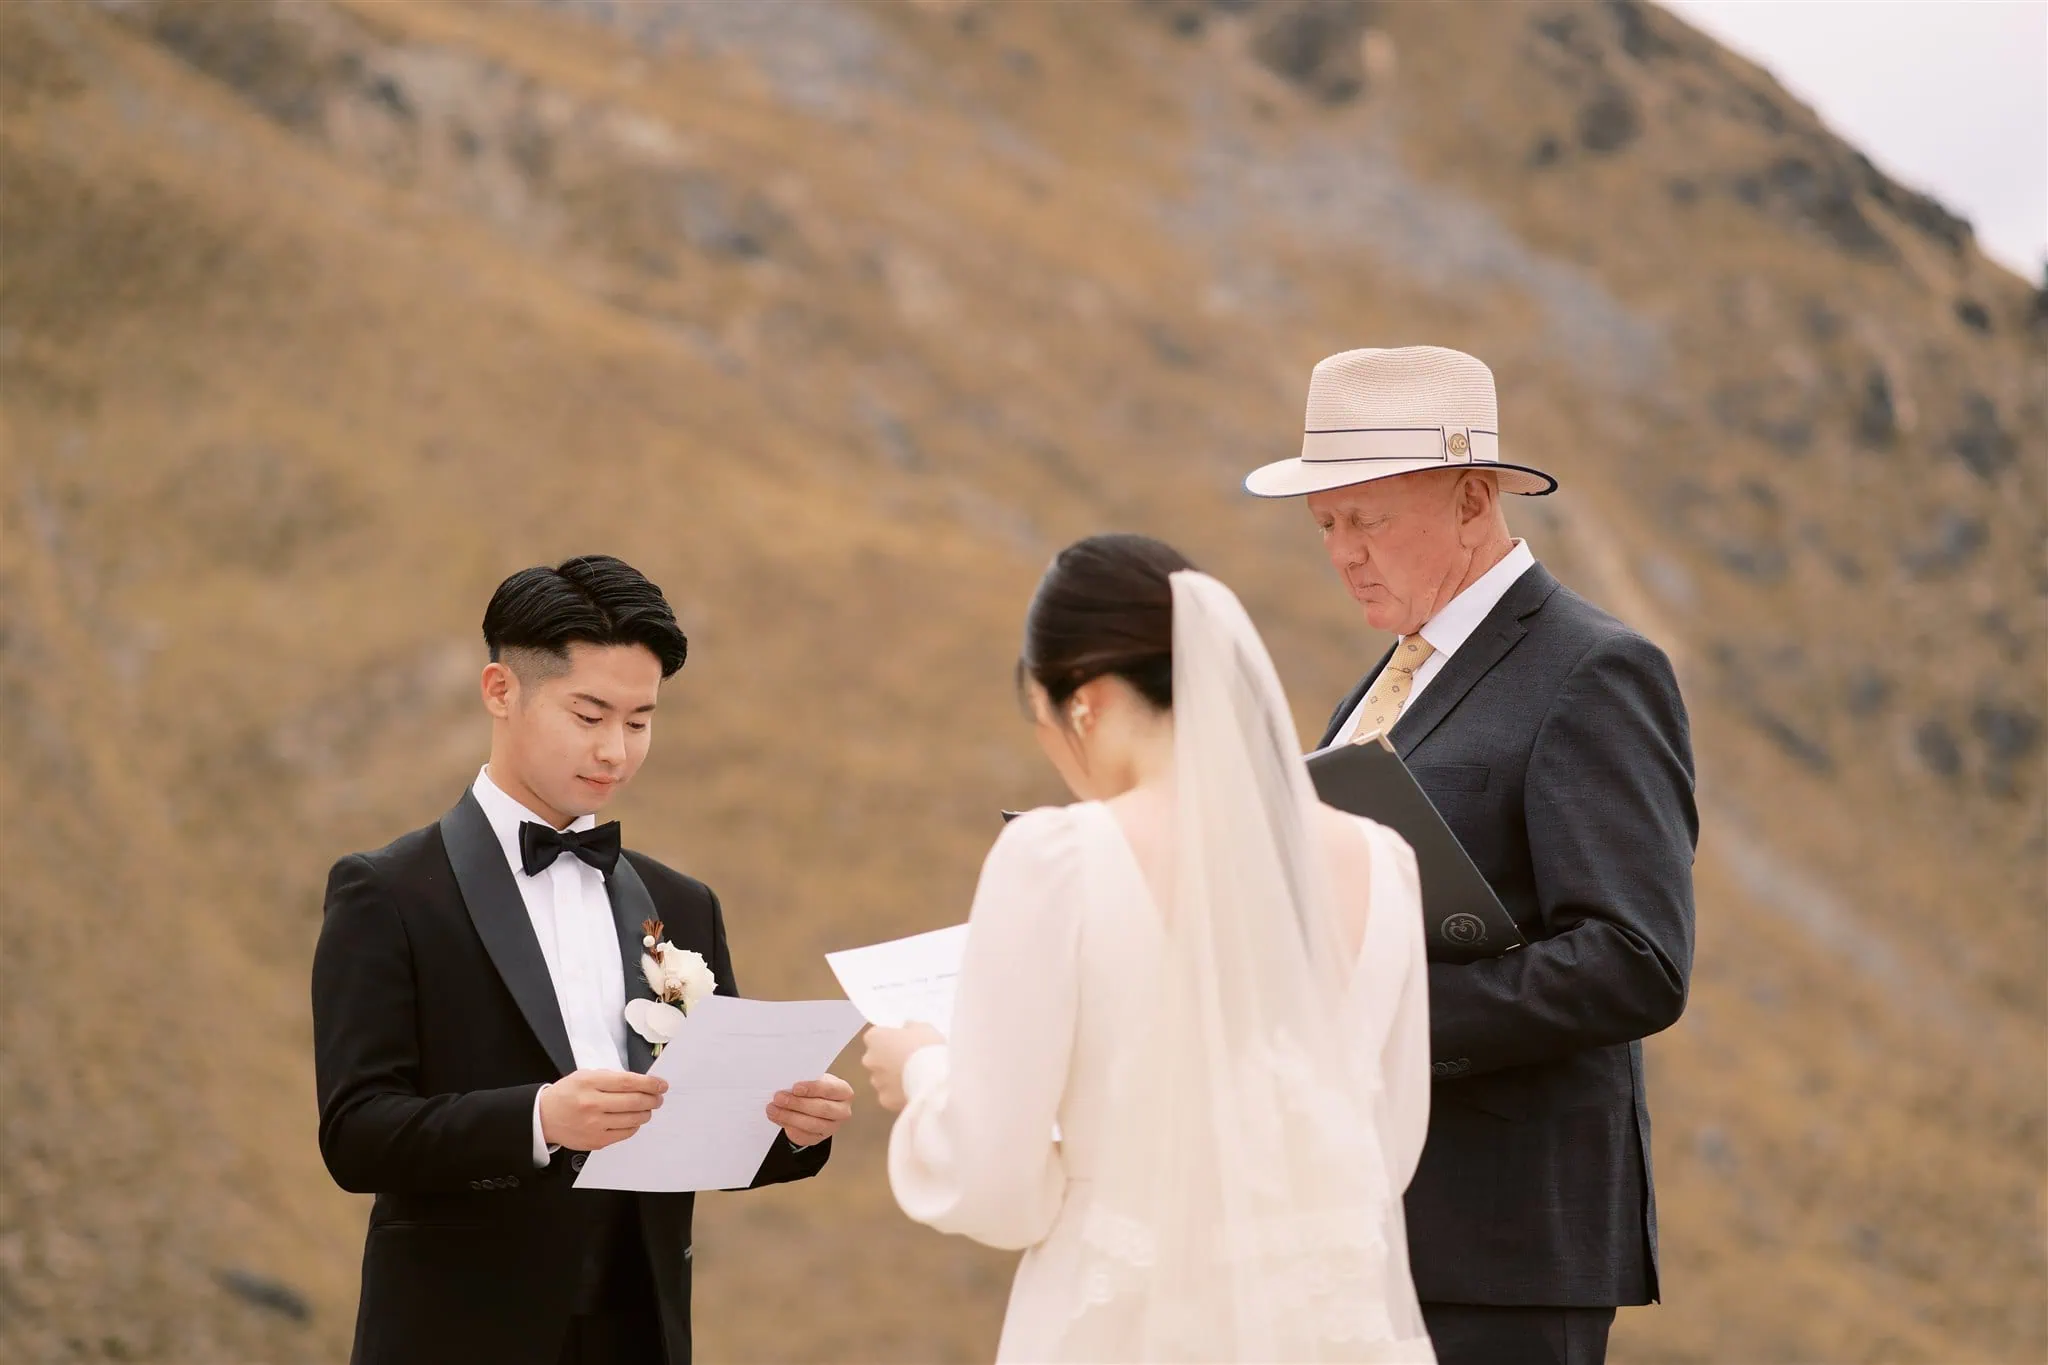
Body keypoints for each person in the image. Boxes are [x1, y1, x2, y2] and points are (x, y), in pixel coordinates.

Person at [863, 534, 1437, 1363]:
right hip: (1328, 1327)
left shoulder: (1060, 856)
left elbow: (997, 1183)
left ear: (1084, 701)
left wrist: (923, 1068)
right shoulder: (1383, 863)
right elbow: (1385, 1149)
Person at [1243, 346, 1697, 1365]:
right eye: (1324, 525)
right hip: (1354, 1225)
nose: (1341, 552)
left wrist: (1381, 1018)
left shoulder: (1592, 670)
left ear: (1471, 497)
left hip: (1503, 1248)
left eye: (1366, 518)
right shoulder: (1374, 691)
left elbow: (1636, 961)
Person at [311, 555, 855, 1365]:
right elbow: (355, 1133)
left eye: (639, 721)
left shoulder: (685, 902)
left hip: (639, 1333)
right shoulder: (387, 891)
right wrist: (538, 1119)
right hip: (457, 1337)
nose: (615, 751)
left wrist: (793, 1127)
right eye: (589, 714)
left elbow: (714, 1136)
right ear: (501, 690)